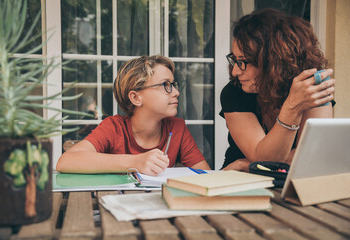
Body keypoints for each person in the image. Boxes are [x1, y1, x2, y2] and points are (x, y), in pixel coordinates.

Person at [219, 9, 335, 171]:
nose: (235, 71)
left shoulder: (311, 88)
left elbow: (313, 158)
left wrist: (245, 163)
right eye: (235, 60)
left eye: (243, 61)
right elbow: (265, 158)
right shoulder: (234, 92)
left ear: (273, 62)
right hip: (239, 180)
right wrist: (293, 107)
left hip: (287, 180)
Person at [57, 55, 210, 175]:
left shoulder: (177, 128)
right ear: (136, 98)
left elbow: (205, 176)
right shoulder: (114, 128)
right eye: (166, 85)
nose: (176, 92)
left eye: (173, 85)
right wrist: (136, 162)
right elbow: (65, 162)